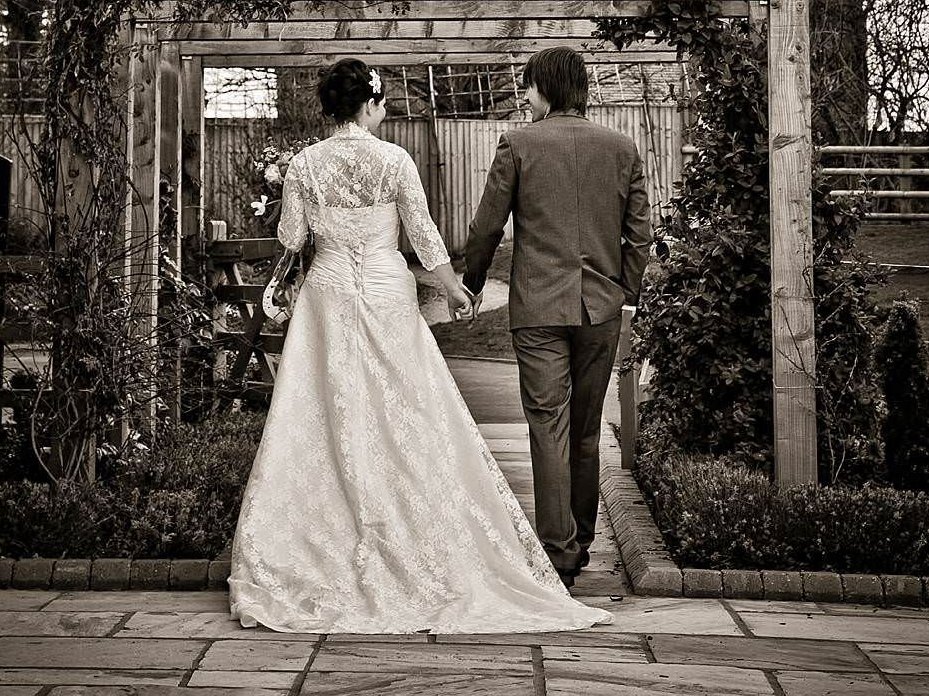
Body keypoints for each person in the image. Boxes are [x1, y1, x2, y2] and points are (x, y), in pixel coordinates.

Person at [227, 58, 608, 634]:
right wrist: (456, 288)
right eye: (380, 104)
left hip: (327, 296)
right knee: (407, 410)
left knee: (323, 413)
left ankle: (317, 540)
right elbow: (425, 235)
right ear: (372, 104)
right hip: (383, 294)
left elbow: (292, 238)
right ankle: (417, 532)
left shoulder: (305, 164)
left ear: (332, 109)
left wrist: (294, 205)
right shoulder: (395, 160)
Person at [461, 45, 654, 588]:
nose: (525, 99)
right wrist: (625, 291)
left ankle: (558, 550)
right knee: (587, 429)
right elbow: (639, 232)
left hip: (538, 308)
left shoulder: (518, 144)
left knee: (548, 425)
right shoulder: (621, 148)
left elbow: (485, 228)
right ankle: (582, 540)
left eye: (527, 88)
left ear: (544, 89)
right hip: (601, 309)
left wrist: (472, 286)